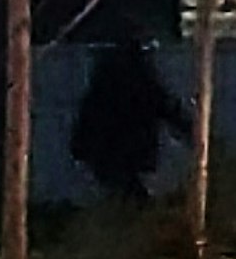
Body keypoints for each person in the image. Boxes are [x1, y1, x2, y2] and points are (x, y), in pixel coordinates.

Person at [69, 34, 188, 205]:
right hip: (125, 150)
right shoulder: (140, 82)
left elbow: (86, 117)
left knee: (124, 192)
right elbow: (168, 109)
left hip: (109, 152)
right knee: (129, 195)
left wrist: (80, 147)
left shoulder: (104, 84)